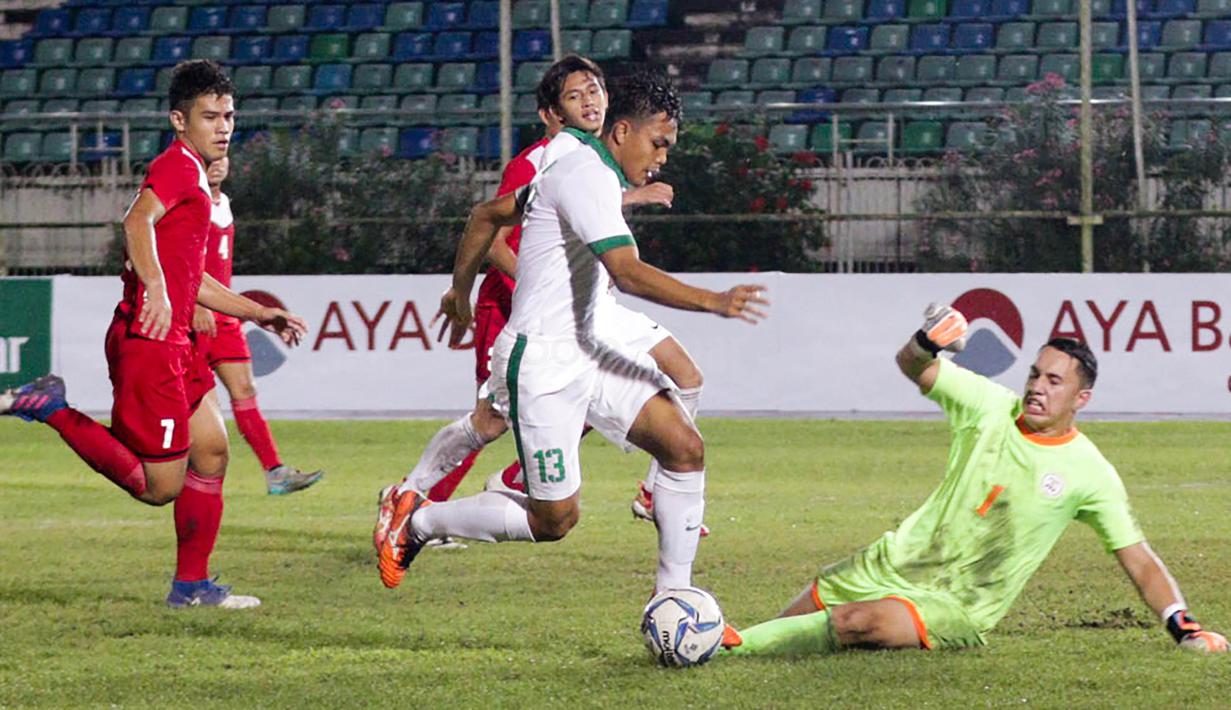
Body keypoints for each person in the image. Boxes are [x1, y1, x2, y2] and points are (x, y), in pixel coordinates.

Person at [375, 69, 769, 593]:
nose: (663, 158)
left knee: (683, 448)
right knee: (554, 520)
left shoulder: (582, 168)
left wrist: (458, 290)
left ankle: (676, 598)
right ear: (623, 132)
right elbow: (625, 271)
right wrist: (713, 301)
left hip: (593, 345)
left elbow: (487, 213)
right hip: (544, 361)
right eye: (659, 143)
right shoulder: (583, 174)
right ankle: (419, 520)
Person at [721, 305, 1228, 656]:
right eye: (1034, 375)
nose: (1036, 388)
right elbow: (911, 364)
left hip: (957, 603)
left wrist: (1182, 626)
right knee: (792, 624)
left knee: (852, 623)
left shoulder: (1090, 473)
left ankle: (728, 645)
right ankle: (728, 645)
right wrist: (927, 341)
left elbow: (1138, 559)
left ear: (1081, 399)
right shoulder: (988, 404)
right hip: (894, 560)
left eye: (1054, 382)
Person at [0, 60, 307, 609]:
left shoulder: (193, 175)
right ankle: (51, 408)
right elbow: (135, 222)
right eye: (209, 116)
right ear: (178, 120)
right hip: (151, 342)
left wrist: (257, 313)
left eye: (229, 116)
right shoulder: (178, 167)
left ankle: (190, 587)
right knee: (159, 488)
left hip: (172, 341)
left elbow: (196, 278)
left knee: (211, 451)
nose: (223, 126)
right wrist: (160, 293)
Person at [192, 156, 323, 495]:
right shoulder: (190, 201)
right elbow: (180, 258)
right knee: (191, 401)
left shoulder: (224, 204)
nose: (217, 165)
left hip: (225, 314)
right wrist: (194, 303)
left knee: (246, 390)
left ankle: (275, 471)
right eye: (210, 161)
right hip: (197, 312)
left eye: (222, 159)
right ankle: (166, 466)